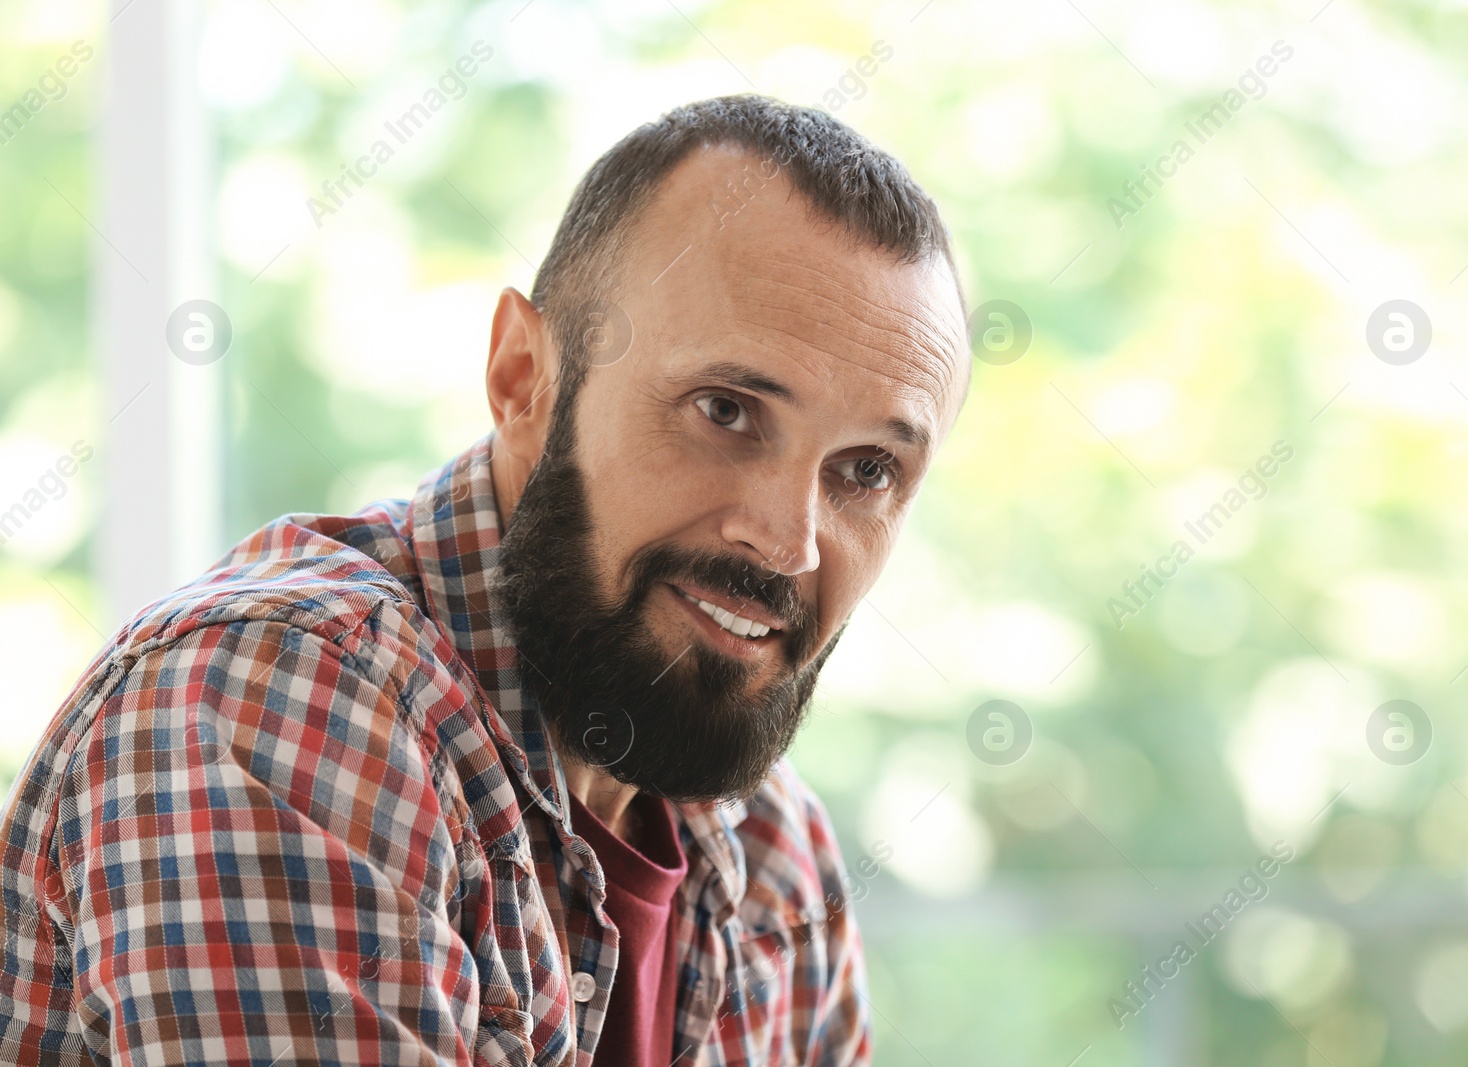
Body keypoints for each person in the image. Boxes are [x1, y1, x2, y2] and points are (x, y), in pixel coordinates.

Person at [0, 94, 969, 1066]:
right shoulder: (281, 695)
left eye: (867, 470)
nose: (786, 539)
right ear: (522, 378)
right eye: (725, 408)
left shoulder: (771, 854)